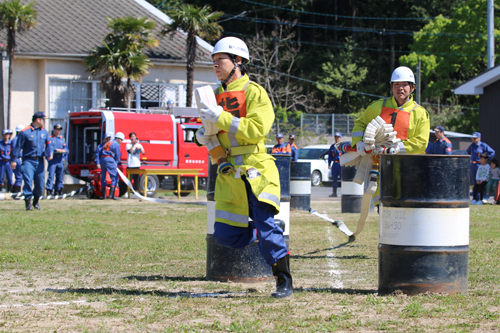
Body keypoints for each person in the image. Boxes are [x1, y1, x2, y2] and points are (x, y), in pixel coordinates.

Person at [195, 36, 292, 298]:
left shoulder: (254, 92)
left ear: (238, 61)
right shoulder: (213, 96)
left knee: (266, 227)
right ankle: (266, 230)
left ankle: (283, 280)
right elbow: (211, 134)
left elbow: (257, 130)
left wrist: (221, 117)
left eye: (220, 60)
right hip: (229, 175)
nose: (215, 65)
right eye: (213, 61)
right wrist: (201, 136)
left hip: (256, 169)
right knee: (225, 235)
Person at [351, 66, 430, 205]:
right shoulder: (377, 107)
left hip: (408, 171)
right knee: (385, 211)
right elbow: (360, 124)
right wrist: (359, 143)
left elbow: (421, 142)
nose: (400, 88)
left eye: (405, 84)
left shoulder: (420, 113)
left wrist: (397, 148)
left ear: (412, 88)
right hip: (381, 169)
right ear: (391, 86)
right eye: (397, 84)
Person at [10, 112, 52, 210]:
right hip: (28, 160)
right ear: (38, 120)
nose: (44, 121)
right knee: (28, 181)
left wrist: (49, 153)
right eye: (43, 119)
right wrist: (14, 160)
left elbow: (48, 144)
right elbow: (18, 147)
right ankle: (28, 202)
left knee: (40, 183)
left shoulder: (44, 132)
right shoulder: (25, 132)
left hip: (40, 161)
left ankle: (36, 201)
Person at [99, 132, 124, 200]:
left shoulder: (108, 143)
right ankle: (111, 195)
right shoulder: (116, 144)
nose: (121, 142)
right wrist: (116, 162)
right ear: (118, 139)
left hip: (102, 159)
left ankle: (104, 196)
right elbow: (118, 155)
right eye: (121, 140)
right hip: (109, 159)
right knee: (115, 177)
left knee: (103, 177)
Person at [45, 124, 69, 195]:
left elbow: (66, 149)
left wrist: (64, 155)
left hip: (60, 160)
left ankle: (58, 190)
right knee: (51, 176)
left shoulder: (62, 139)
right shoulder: (50, 138)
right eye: (57, 129)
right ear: (54, 130)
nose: (59, 131)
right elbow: (49, 148)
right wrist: (57, 150)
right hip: (53, 160)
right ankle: (49, 190)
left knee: (60, 176)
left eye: (60, 130)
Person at [10, 125, 25, 193]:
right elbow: (15, 151)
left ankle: (17, 191)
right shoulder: (16, 140)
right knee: (19, 176)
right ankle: (15, 192)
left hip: (18, 159)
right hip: (16, 159)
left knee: (20, 176)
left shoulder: (19, 140)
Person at [328, 132, 342, 197]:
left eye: (338, 137)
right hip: (335, 164)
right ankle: (334, 193)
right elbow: (330, 156)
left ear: (340, 138)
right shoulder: (332, 147)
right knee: (334, 179)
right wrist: (329, 164)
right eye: (335, 137)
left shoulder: (343, 146)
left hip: (341, 164)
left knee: (343, 178)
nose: (336, 139)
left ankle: (344, 192)